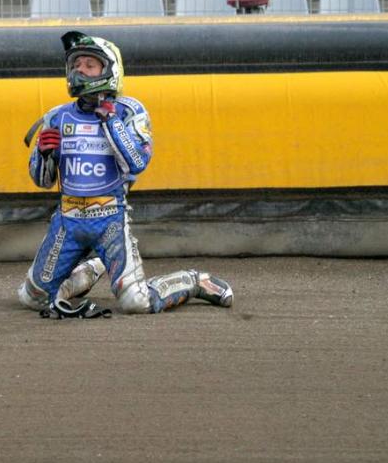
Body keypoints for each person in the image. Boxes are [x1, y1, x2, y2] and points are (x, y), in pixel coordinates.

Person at [17, 30, 233, 315]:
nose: (80, 70)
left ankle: (193, 281)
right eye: (76, 64)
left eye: (89, 65)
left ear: (110, 70)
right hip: (67, 221)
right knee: (33, 298)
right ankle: (92, 270)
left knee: (136, 302)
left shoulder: (129, 111)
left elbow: (137, 162)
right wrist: (44, 154)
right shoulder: (56, 116)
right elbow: (42, 181)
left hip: (110, 221)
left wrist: (110, 120)